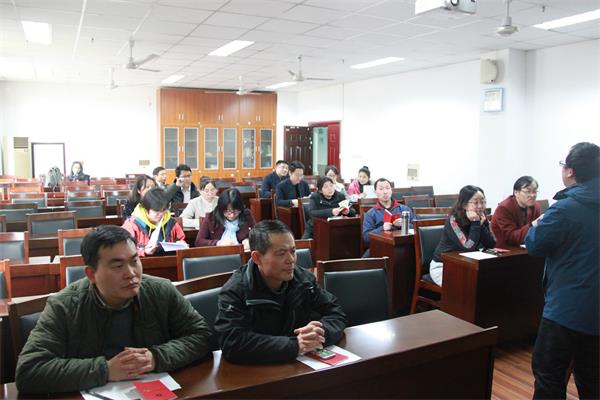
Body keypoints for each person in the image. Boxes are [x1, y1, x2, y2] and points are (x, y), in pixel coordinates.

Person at [14, 225, 212, 394]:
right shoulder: (64, 306)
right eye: (117, 266)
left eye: (134, 261)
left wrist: (155, 358)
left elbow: (202, 336)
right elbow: (29, 370)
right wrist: (106, 370)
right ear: (91, 274)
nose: (131, 273)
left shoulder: (160, 290)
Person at [525, 142, 599, 399]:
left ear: (570, 171)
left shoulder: (565, 208)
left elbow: (534, 244)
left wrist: (537, 224)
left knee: (549, 376)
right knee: (593, 381)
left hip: (565, 310)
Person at [214, 220, 346, 364]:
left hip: (300, 365)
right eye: (281, 253)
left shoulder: (304, 280)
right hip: (259, 370)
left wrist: (319, 332)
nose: (291, 260)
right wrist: (294, 345)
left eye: (293, 251)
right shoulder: (235, 290)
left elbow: (336, 312)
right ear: (257, 257)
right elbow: (232, 343)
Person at [429, 185, 496, 286]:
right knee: (467, 287)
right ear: (464, 205)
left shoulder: (480, 217)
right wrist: (475, 223)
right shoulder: (454, 220)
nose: (480, 206)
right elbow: (468, 246)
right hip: (444, 266)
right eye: (476, 202)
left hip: (468, 265)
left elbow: (491, 244)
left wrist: (481, 225)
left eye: (482, 202)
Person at [122, 187, 186, 257]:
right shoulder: (131, 225)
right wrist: (143, 251)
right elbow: (124, 250)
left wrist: (181, 243)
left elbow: (181, 239)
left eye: (164, 210)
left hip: (169, 261)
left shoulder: (171, 223)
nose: (161, 214)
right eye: (156, 211)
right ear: (146, 209)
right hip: (141, 262)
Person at [362, 178, 415, 247]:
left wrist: (404, 224)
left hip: (404, 245)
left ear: (391, 190)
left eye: (387, 188)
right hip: (381, 247)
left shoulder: (404, 209)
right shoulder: (370, 214)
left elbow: (417, 228)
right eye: (381, 189)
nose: (385, 192)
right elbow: (366, 237)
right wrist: (382, 228)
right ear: (375, 192)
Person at [492, 176, 542, 248]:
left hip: (527, 247)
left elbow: (538, 232)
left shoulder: (535, 206)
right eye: (528, 191)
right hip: (507, 249)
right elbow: (511, 237)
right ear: (516, 192)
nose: (532, 195)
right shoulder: (504, 208)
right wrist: (533, 224)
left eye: (535, 191)